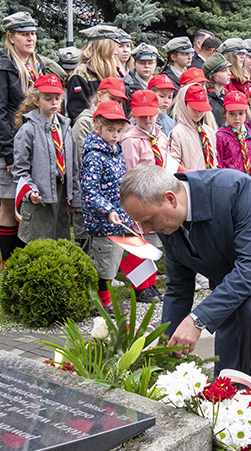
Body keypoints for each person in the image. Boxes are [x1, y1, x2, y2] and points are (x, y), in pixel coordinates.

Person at [119, 164, 251, 383]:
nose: (147, 230)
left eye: (148, 220)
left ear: (171, 198)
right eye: (140, 223)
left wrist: (197, 320)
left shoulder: (235, 189)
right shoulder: (167, 223)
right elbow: (179, 287)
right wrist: (165, 346)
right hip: (236, 284)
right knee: (224, 379)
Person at [0, 11, 51, 263]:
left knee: (32, 204)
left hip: (38, 146)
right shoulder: (0, 69)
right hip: (11, 148)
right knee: (9, 205)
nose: (31, 39)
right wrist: (9, 154)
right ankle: (8, 261)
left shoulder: (39, 65)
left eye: (33, 34)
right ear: (11, 37)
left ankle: (26, 256)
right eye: (24, 34)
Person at [11, 74, 79, 243]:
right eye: (47, 99)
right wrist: (30, 191)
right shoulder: (28, 130)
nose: (54, 103)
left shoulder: (66, 128)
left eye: (58, 98)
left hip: (61, 191)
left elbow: (74, 166)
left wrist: (75, 196)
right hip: (39, 194)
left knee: (60, 236)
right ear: (36, 100)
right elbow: (20, 169)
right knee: (38, 238)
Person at [81, 101, 134, 315]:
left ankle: (107, 299)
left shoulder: (115, 150)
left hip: (118, 218)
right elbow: (90, 190)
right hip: (103, 221)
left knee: (113, 261)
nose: (115, 135)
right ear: (98, 127)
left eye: (119, 131)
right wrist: (107, 210)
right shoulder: (94, 154)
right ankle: (102, 303)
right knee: (104, 263)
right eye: (110, 130)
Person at [120, 89, 172, 303]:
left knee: (151, 241)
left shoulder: (160, 136)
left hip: (158, 193)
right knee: (138, 241)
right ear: (134, 114)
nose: (147, 118)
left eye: (150, 113)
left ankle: (151, 284)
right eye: (142, 115)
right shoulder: (131, 139)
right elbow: (130, 171)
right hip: (140, 194)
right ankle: (141, 287)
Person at [66, 25, 120, 120]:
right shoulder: (81, 74)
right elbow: (77, 113)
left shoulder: (115, 73)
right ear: (104, 48)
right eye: (113, 48)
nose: (116, 53)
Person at [170, 83, 218, 171]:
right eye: (194, 108)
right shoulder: (177, 133)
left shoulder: (209, 131)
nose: (199, 112)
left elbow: (214, 160)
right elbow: (174, 163)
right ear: (184, 105)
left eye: (202, 109)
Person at [215, 91, 251, 181]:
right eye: (232, 113)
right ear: (225, 113)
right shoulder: (221, 137)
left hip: (248, 182)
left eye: (241, 113)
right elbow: (219, 165)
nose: (237, 118)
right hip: (230, 184)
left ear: (246, 113)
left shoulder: (250, 136)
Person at [203, 54, 232, 126]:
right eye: (224, 71)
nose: (229, 73)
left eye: (229, 70)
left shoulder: (228, 95)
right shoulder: (206, 99)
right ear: (211, 76)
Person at [148, 74, 178, 139]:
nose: (166, 101)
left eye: (170, 97)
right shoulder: (143, 120)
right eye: (162, 96)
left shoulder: (171, 123)